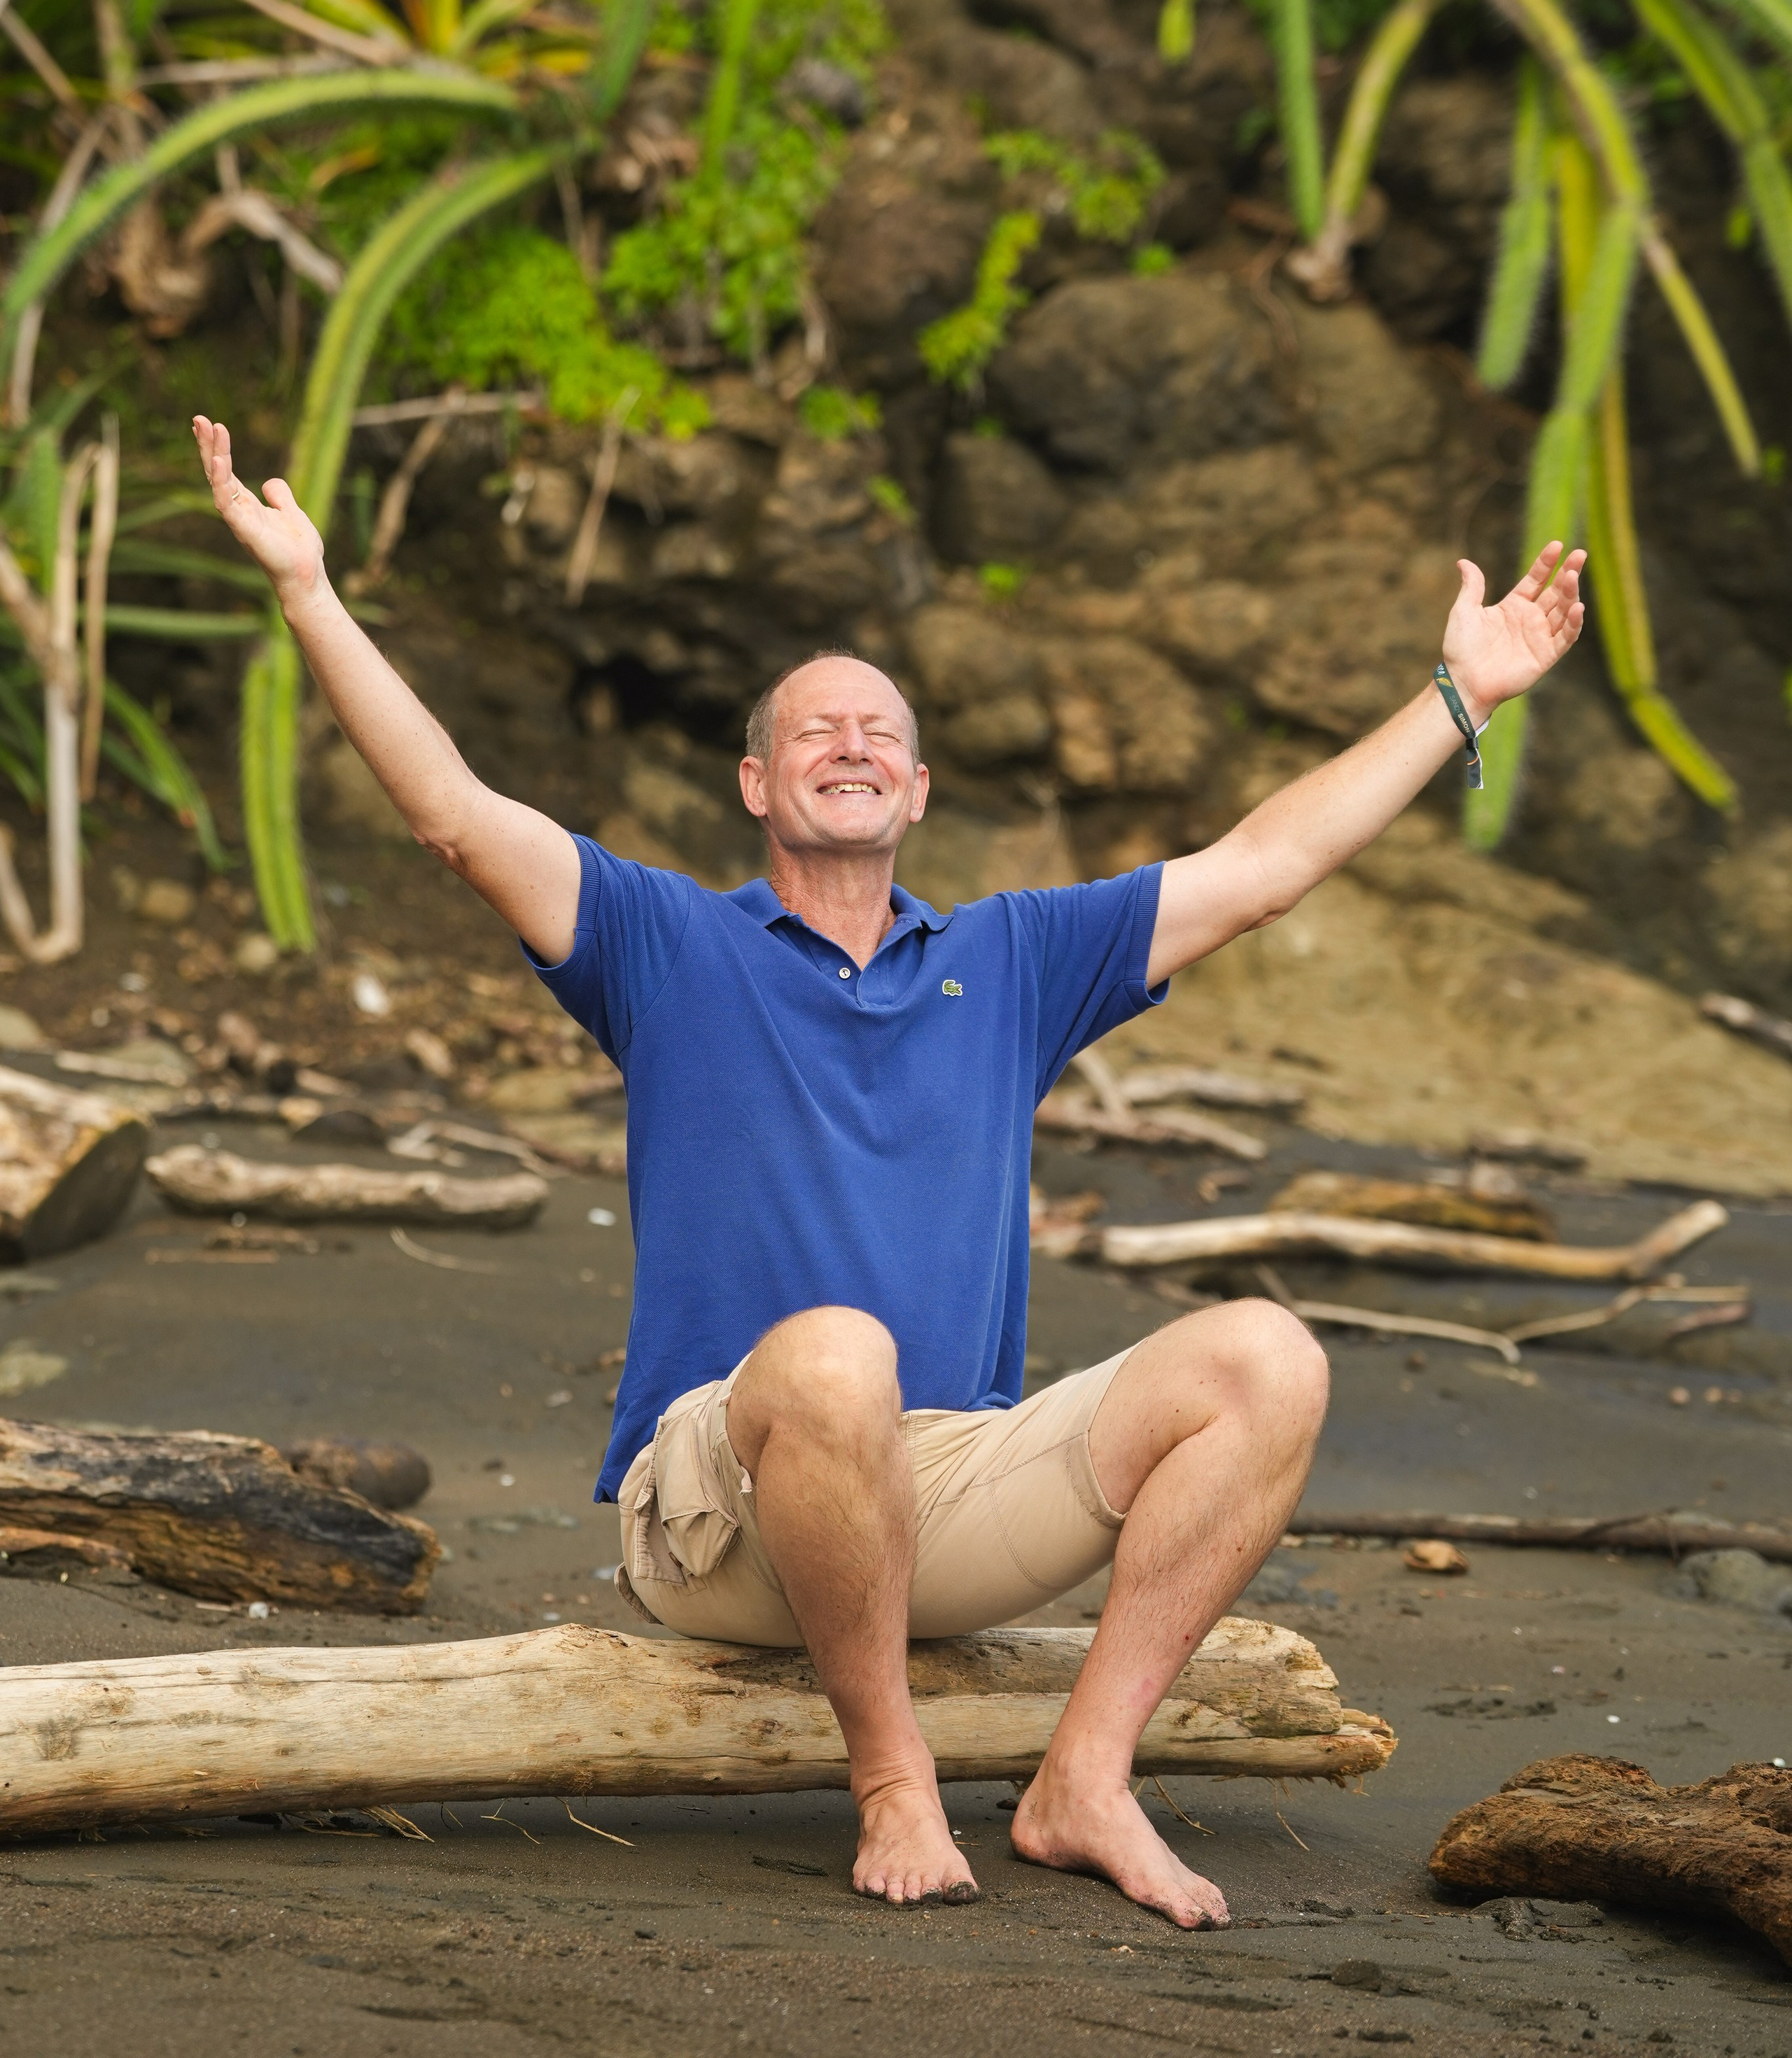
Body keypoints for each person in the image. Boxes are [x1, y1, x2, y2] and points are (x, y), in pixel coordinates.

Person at [192, 411, 1585, 1927]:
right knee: (840, 1354)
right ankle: (892, 1781)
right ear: (753, 784)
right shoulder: (665, 943)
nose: (850, 744)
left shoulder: (1012, 958)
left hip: (936, 1494)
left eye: (880, 734)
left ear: (915, 793)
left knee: (1268, 1357)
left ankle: (1083, 1783)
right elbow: (452, 815)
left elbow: (1261, 871)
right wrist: (310, 592)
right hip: (714, 1502)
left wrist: (1460, 694)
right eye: (813, 730)